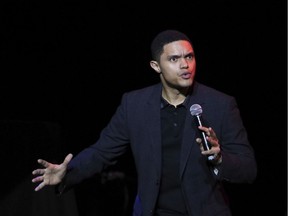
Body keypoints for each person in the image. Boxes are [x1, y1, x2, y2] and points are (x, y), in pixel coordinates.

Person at [32, 29, 257, 216]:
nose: (185, 65)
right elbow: (102, 152)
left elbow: (248, 169)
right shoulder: (135, 105)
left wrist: (219, 159)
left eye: (189, 56)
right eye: (174, 59)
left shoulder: (220, 104)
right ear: (155, 66)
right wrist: (68, 172)